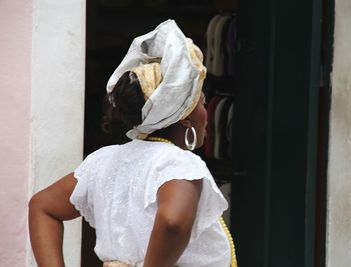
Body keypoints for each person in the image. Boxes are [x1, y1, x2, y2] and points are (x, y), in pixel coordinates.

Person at [29, 20, 237, 267]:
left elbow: (42, 206)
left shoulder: (104, 161)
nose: (206, 113)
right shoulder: (178, 162)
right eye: (201, 102)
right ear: (186, 117)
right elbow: (173, 221)